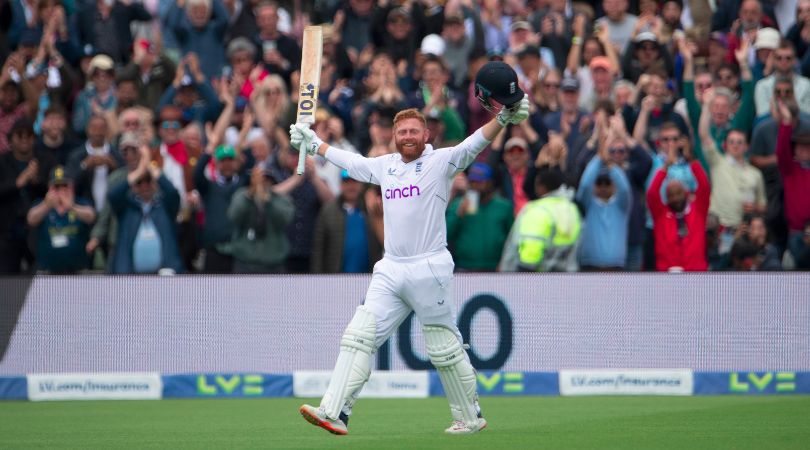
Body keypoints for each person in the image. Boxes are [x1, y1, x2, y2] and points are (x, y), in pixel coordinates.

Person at [289, 61, 530, 435]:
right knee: (358, 337)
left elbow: (473, 143)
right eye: (401, 131)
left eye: (413, 131)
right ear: (394, 136)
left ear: (426, 134)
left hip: (429, 268)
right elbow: (352, 163)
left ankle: (469, 417)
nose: (407, 137)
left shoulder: (441, 162)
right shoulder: (386, 166)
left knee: (444, 350)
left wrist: (504, 119)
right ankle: (334, 411)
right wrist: (314, 143)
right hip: (391, 268)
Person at [107, 146, 184, 274]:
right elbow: (113, 195)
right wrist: (139, 172)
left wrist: (148, 165)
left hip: (164, 276)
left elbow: (172, 193)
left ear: (154, 183)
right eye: (139, 182)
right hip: (130, 277)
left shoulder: (165, 206)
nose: (144, 185)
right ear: (134, 186)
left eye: (148, 181)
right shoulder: (126, 208)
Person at [500, 164, 582, 272]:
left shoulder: (537, 210)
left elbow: (532, 246)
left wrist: (524, 272)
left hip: (538, 278)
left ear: (542, 187)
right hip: (566, 276)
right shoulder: (571, 209)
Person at [647, 151, 710, 272]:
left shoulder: (698, 210)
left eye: (678, 193)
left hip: (696, 272)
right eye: (671, 195)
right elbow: (652, 193)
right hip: (668, 274)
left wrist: (692, 160)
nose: (675, 198)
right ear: (666, 197)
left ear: (686, 192)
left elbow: (705, 186)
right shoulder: (660, 214)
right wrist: (665, 168)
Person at [228, 160, 295, 273]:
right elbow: (234, 216)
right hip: (244, 262)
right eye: (257, 178)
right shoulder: (241, 195)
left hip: (273, 264)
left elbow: (285, 220)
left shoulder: (281, 199)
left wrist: (269, 202)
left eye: (265, 179)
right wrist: (249, 197)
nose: (261, 182)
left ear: (271, 180)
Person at [26, 166, 96, 273]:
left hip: (77, 271)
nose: (61, 190)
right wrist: (47, 205)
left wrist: (71, 207)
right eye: (56, 186)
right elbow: (31, 219)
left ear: (71, 186)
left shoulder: (80, 202)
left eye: (64, 185)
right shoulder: (42, 204)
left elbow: (91, 216)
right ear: (49, 187)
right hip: (47, 271)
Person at [311, 169, 383, 273]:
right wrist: (316, 280)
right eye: (346, 182)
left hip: (369, 278)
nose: (351, 186)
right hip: (336, 280)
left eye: (354, 181)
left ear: (361, 184)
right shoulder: (328, 211)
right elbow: (318, 250)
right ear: (340, 184)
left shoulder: (371, 209)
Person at [446, 162, 514, 271]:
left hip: (495, 268)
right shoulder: (459, 204)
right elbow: (446, 235)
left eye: (480, 182)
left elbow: (511, 239)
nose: (475, 185)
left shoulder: (503, 206)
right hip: (465, 267)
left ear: (490, 183)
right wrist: (458, 215)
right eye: (472, 182)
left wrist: (504, 262)